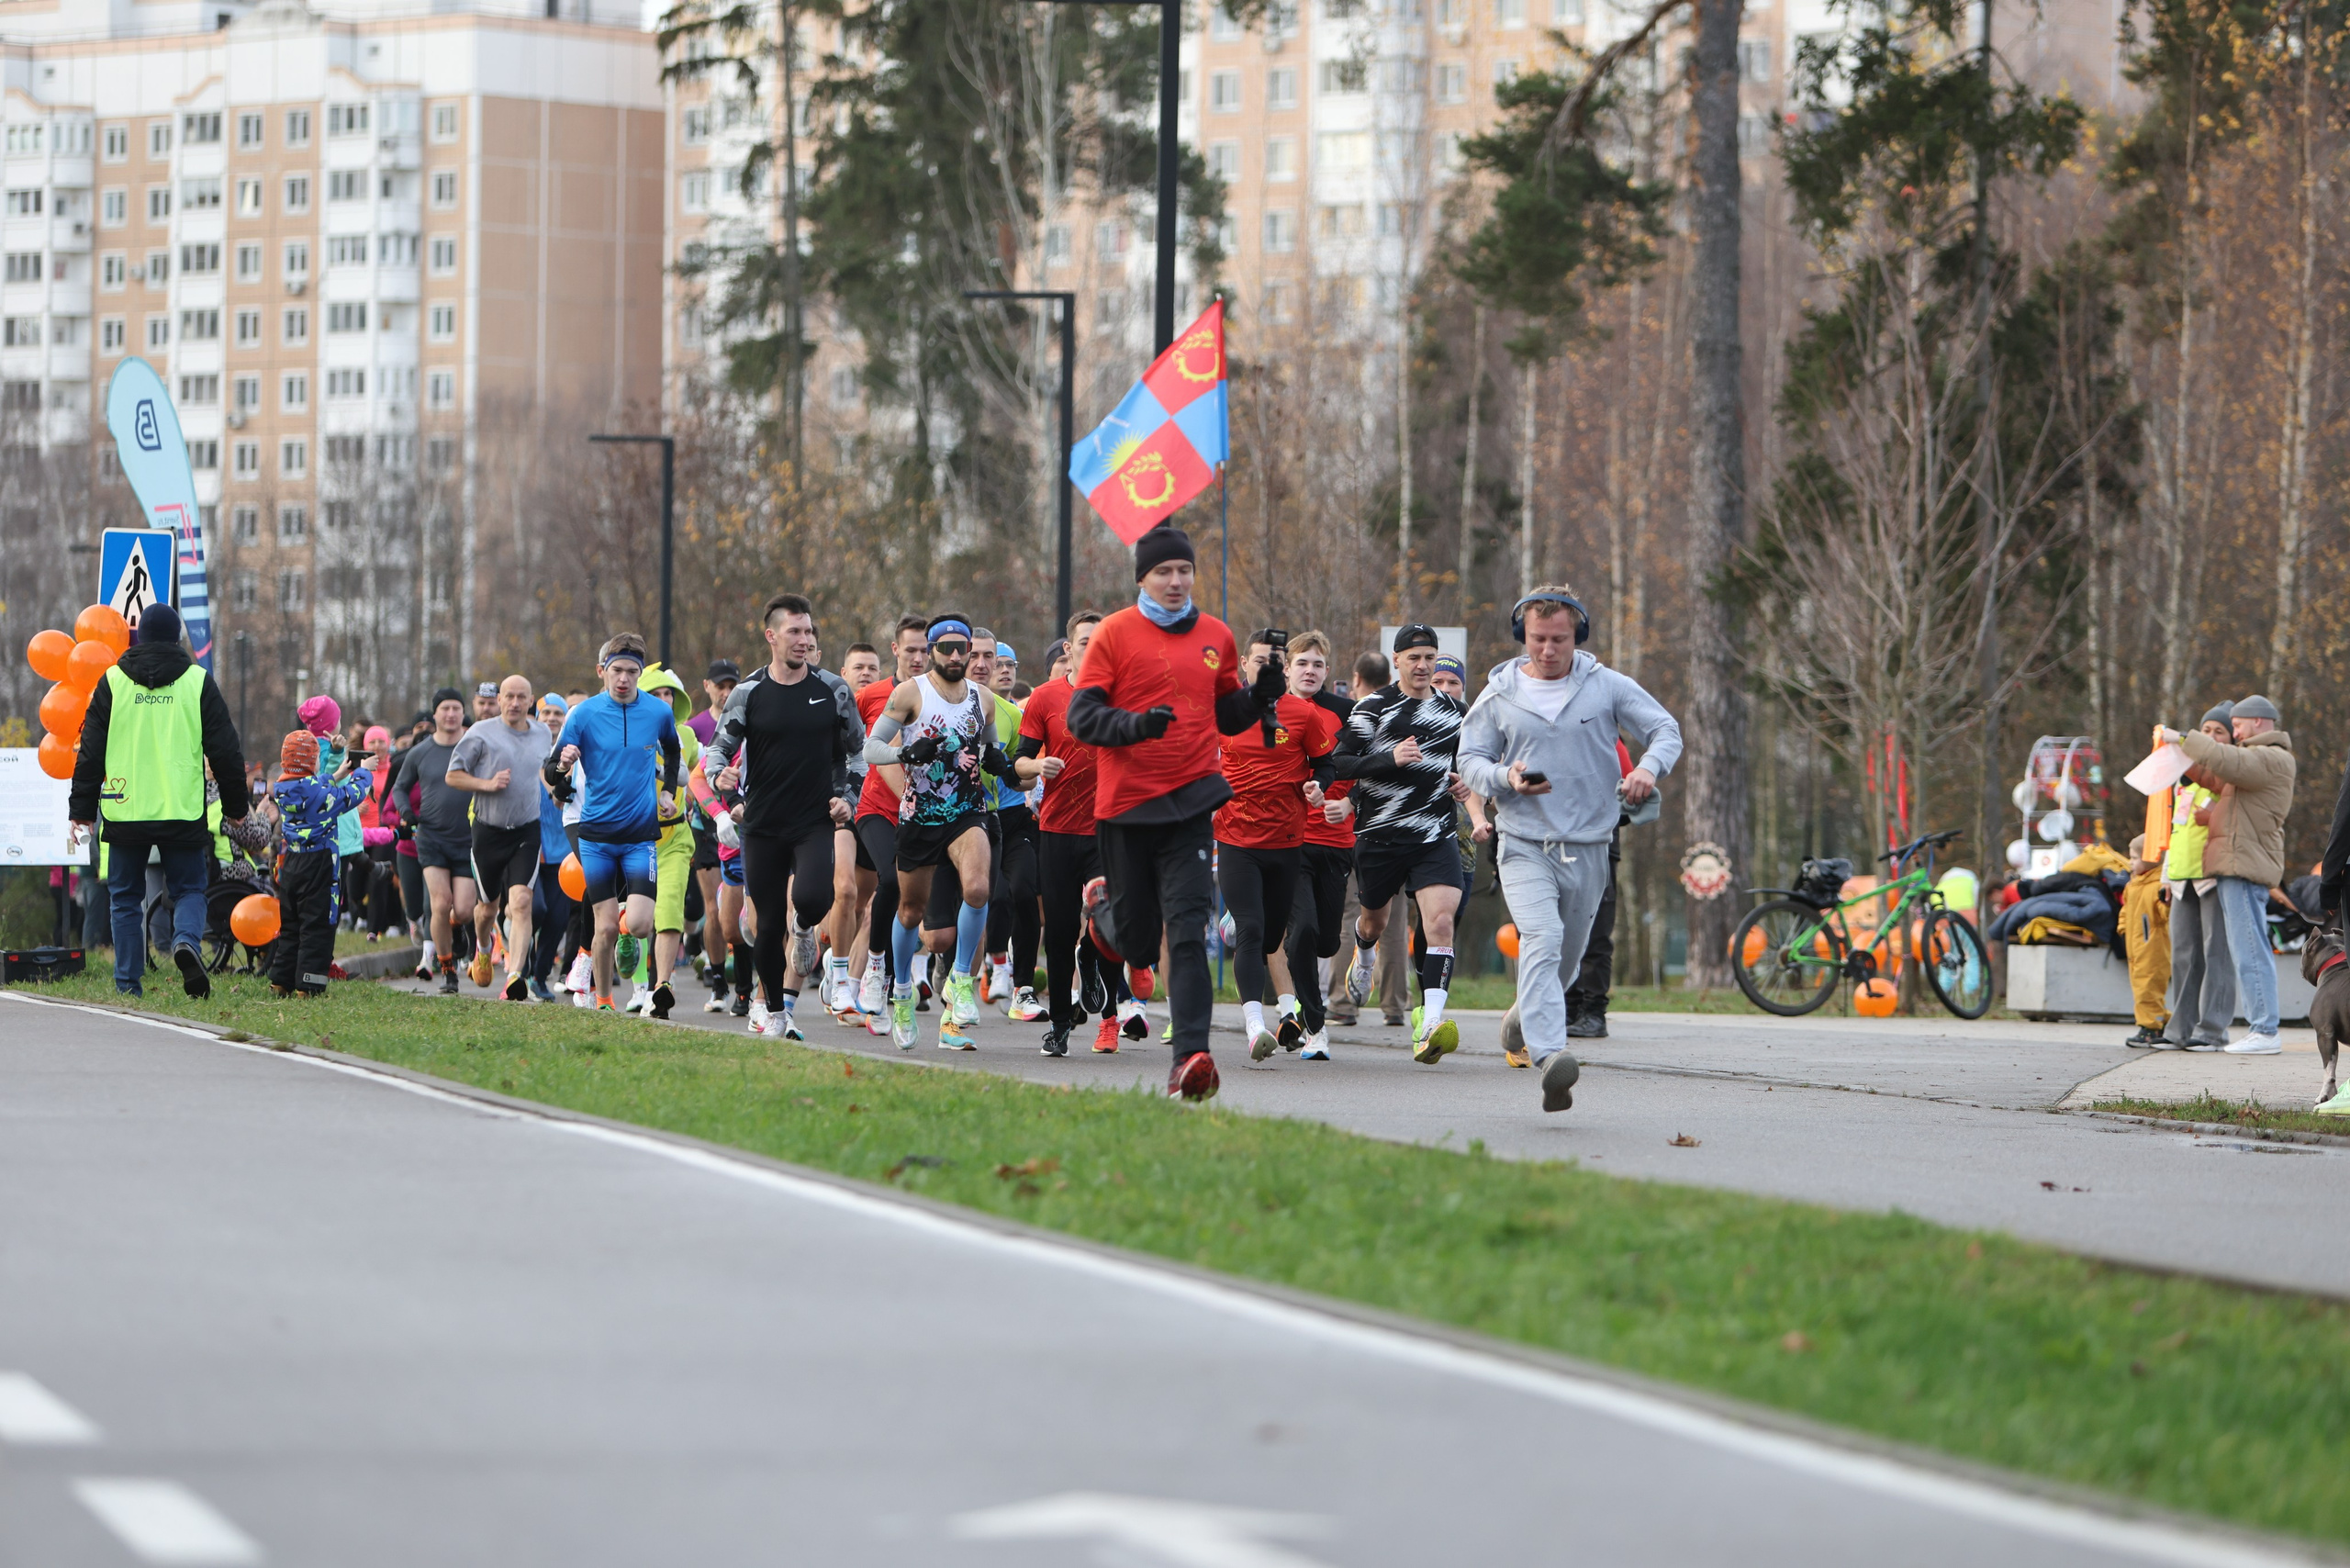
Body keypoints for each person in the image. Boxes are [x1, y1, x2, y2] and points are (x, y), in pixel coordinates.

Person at [1458, 586, 1681, 1113]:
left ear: (1576, 636)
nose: (1548, 650)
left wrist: (1647, 769)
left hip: (1591, 845)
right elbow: (1469, 759)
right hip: (1525, 842)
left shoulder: (1606, 687)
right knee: (1542, 934)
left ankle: (1518, 1021)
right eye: (1538, 639)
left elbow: (1665, 729)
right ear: (1523, 636)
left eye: (1559, 639)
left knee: (1566, 961)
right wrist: (1504, 777)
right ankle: (1551, 1056)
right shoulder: (1500, 693)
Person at [1067, 527, 1271, 1101]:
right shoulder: (1113, 634)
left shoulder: (1216, 636)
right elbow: (1083, 718)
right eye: (1165, 572)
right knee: (1136, 941)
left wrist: (1258, 695)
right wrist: (1132, 726)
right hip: (1127, 805)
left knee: (1187, 931)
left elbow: (1228, 714)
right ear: (1143, 578)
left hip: (1191, 802)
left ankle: (1191, 1058)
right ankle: (1103, 920)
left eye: (1185, 570)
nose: (1177, 581)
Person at [67, 604, 250, 999]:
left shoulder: (112, 681)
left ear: (140, 637)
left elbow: (90, 752)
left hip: (124, 808)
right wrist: (236, 808)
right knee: (189, 890)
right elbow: (226, 752)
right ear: (176, 637)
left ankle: (128, 984)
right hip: (180, 808)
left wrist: (80, 811)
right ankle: (185, 941)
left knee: (125, 897)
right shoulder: (197, 682)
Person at [707, 594, 863, 1038]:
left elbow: (859, 753)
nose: (804, 639)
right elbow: (718, 752)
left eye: (809, 631)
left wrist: (848, 799)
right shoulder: (748, 692)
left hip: (814, 820)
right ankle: (775, 1013)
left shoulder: (832, 689)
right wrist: (727, 788)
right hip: (762, 824)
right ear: (771, 636)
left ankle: (806, 926)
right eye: (795, 631)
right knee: (767, 925)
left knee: (815, 899)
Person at [862, 613, 1007, 1051]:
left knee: (979, 889)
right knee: (909, 912)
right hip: (921, 816)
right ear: (930, 651)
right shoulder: (911, 693)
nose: (957, 655)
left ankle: (961, 980)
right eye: (946, 648)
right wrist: (905, 750)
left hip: (968, 811)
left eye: (963, 647)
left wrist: (1000, 763)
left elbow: (991, 749)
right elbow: (870, 747)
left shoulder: (982, 699)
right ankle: (901, 992)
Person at [1334, 625, 1474, 1064]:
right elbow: (1339, 762)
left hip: (1434, 834)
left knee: (1441, 923)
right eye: (1414, 657)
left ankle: (1429, 1023)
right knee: (1374, 922)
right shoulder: (1372, 707)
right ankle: (1365, 952)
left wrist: (1463, 781)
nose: (1423, 666)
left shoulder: (1455, 710)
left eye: (1430, 657)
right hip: (1380, 835)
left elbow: (1469, 762)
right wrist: (1388, 759)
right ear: (1396, 660)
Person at [1017, 614, 1139, 1056]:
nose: (1094, 648)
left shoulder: (1124, 696)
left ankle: (1109, 1020)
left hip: (1108, 831)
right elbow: (1019, 765)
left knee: (1106, 922)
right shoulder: (1045, 698)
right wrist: (1037, 766)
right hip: (1056, 831)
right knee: (1063, 929)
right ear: (1069, 648)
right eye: (1086, 641)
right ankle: (1062, 1025)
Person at [1217, 631, 1340, 1061]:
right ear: (1245, 667)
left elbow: (1326, 762)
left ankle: (1236, 921)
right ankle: (1255, 1027)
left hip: (1287, 841)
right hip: (1235, 840)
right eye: (1260, 662)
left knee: (1274, 936)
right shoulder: (1224, 713)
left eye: (1274, 661)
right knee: (1253, 931)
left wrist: (1317, 785)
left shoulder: (1304, 715)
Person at [547, 633, 682, 1012]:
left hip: (640, 835)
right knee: (602, 926)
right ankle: (604, 1000)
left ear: (640, 674)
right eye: (616, 670)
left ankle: (622, 925)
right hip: (596, 837)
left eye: (631, 672)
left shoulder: (658, 712)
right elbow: (551, 775)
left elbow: (672, 753)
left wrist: (668, 791)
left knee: (638, 925)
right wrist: (562, 765)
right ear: (602, 671)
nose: (623, 678)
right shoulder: (584, 714)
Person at [2168, 694, 2296, 1054]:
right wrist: (2180, 760)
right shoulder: (2253, 760)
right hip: (2237, 864)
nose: (2234, 731)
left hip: (2244, 865)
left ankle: (2265, 1030)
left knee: (2250, 950)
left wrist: (2183, 738)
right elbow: (2212, 774)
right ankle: (2263, 1028)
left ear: (2257, 722)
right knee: (2247, 948)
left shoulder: (2270, 758)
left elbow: (2227, 760)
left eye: (2236, 725)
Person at [1265, 633, 1355, 1059]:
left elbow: (1359, 767)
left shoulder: (1346, 714)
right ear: (1286, 670)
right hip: (1290, 839)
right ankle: (1315, 1026)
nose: (1310, 671)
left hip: (1337, 839)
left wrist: (1345, 799)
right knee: (1300, 932)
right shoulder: (1272, 713)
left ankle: (1307, 999)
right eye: (1302, 664)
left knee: (1326, 942)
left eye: (1318, 665)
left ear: (1327, 671)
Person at [447, 674, 554, 1002]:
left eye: (522, 697)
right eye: (509, 696)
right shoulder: (481, 733)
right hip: (488, 831)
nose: (515, 703)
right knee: (487, 909)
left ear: (531, 700)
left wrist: (554, 789)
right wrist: (488, 784)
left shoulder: (542, 733)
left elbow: (540, 768)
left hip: (526, 828)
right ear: (499, 700)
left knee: (521, 902)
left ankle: (514, 977)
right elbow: (453, 776)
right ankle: (482, 946)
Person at [852, 616, 932, 1027]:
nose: (919, 658)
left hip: (928, 816)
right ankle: (874, 966)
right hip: (878, 809)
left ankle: (897, 989)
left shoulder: (942, 695)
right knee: (888, 880)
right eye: (911, 650)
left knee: (913, 905)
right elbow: (874, 753)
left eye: (925, 650)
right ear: (895, 650)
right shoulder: (873, 696)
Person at [268, 730, 373, 996]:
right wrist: (364, 772)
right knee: (317, 924)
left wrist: (336, 774)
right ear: (311, 762)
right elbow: (352, 795)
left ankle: (281, 980)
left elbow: (316, 786)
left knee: (291, 924)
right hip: (319, 864)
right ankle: (309, 984)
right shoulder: (320, 795)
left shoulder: (283, 788)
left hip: (292, 862)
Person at [393, 689, 481, 994]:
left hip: (468, 838)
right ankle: (447, 970)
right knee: (440, 904)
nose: (451, 714)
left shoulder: (474, 747)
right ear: (435, 714)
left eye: (457, 708)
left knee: (466, 910)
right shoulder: (420, 752)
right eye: (445, 708)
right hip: (431, 837)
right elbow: (400, 788)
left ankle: (457, 930)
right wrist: (406, 813)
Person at [2159, 704, 2235, 1050]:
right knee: (2184, 956)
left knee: (2216, 953)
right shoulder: (2185, 780)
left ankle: (2213, 1031)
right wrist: (2164, 874)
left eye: (2219, 732)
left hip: (2213, 877)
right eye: (2206, 730)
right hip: (2181, 877)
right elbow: (2175, 831)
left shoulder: (2231, 775)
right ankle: (2180, 1030)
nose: (2211, 737)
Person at [2121, 832, 2172, 1046]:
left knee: (2148, 988)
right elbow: (2125, 909)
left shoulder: (2157, 886)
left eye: (2134, 858)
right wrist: (2122, 926)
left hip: (2153, 948)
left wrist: (2166, 904)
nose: (2130, 862)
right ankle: (2163, 1019)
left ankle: (2150, 1027)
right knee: (2141, 986)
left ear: (2150, 858)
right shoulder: (2133, 886)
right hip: (2135, 947)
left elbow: (2165, 914)